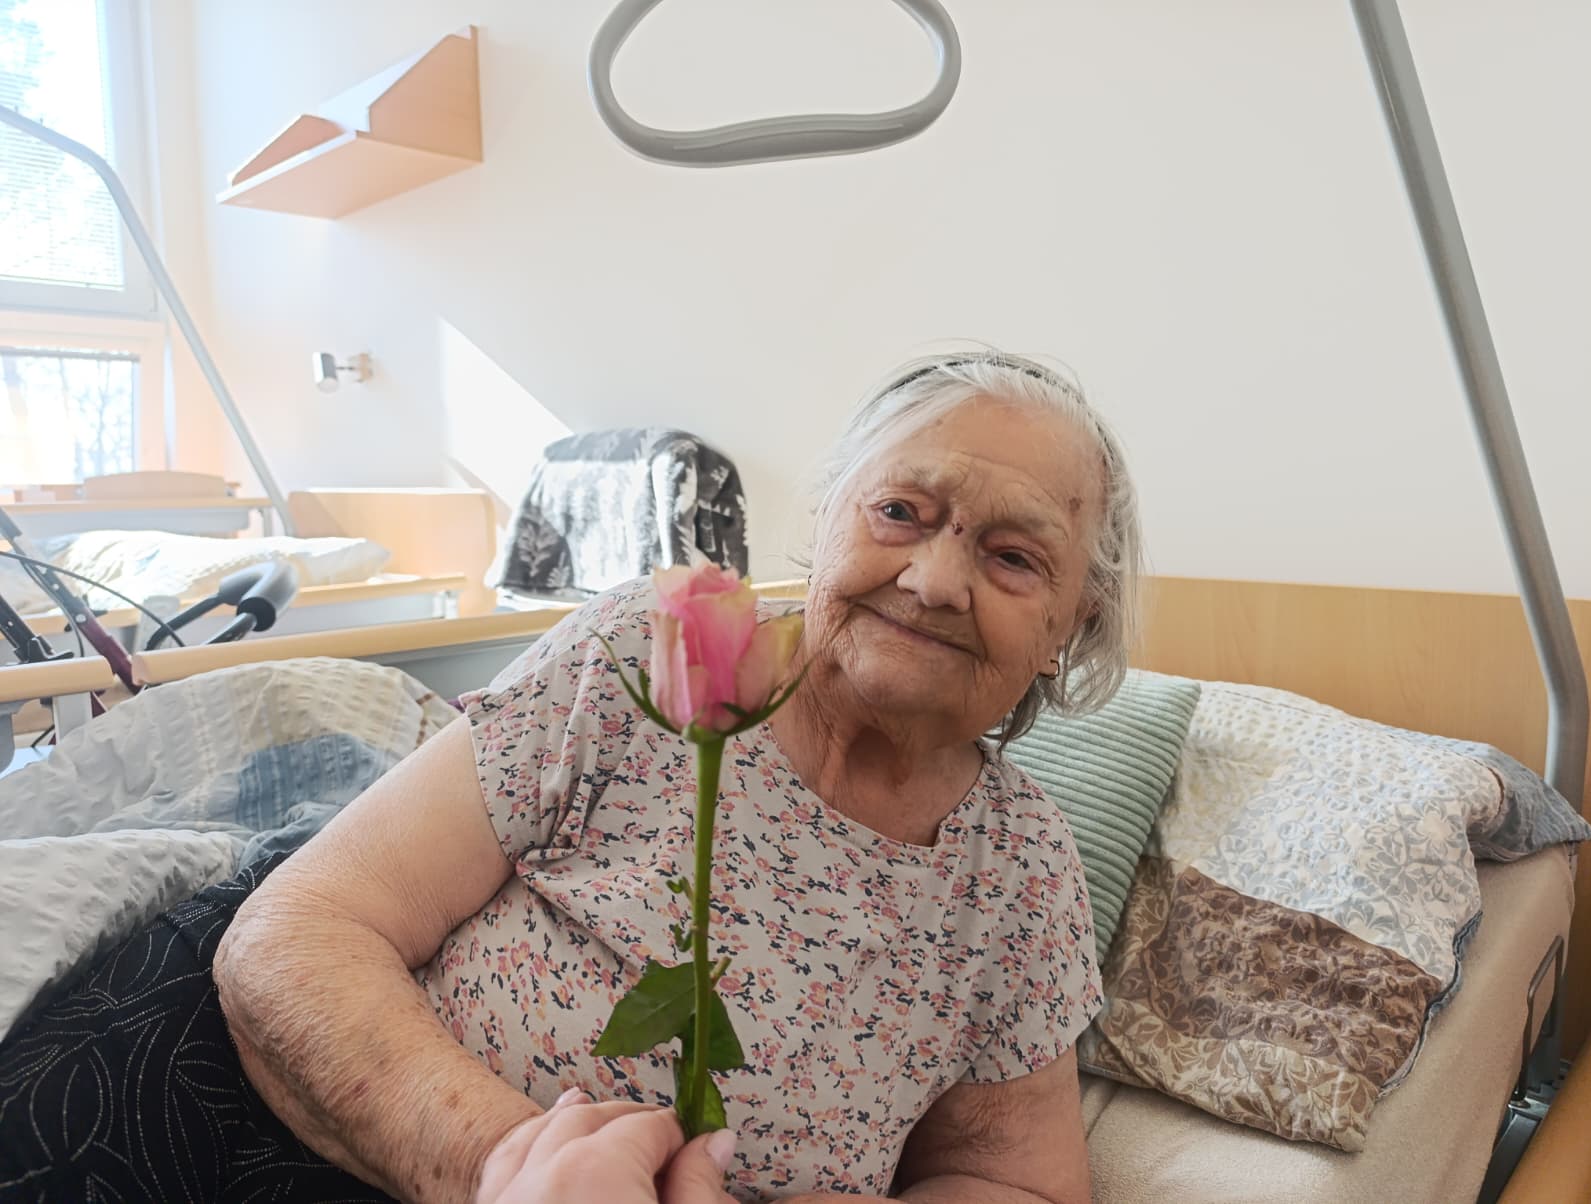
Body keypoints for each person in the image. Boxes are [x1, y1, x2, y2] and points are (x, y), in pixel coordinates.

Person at [0, 350, 1140, 1204]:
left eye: (1012, 556)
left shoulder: (1020, 871)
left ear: (1069, 628)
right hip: (274, 1115)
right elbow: (299, 930)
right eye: (899, 511)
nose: (933, 578)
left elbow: (1018, 1181)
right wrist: (506, 1164)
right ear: (831, 519)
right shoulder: (657, 648)